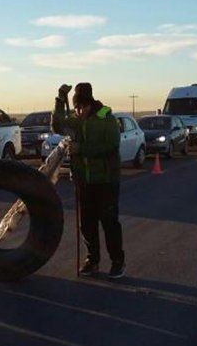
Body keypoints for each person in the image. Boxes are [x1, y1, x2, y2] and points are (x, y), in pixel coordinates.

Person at [52, 83, 126, 279]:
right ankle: (92, 261)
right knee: (87, 224)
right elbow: (57, 126)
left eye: (83, 107)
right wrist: (60, 99)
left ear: (91, 104)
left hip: (106, 180)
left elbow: (111, 146)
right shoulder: (76, 121)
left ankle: (118, 262)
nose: (79, 111)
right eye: (77, 107)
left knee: (109, 222)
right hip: (83, 181)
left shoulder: (106, 119)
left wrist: (81, 149)